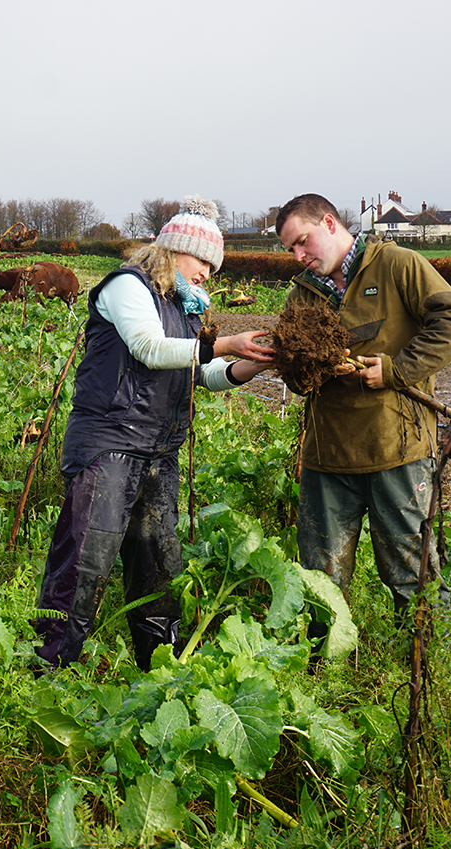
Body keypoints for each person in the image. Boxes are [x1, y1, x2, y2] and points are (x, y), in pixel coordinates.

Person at [34, 195, 275, 672]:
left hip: (158, 453)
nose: (208, 272)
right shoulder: (128, 286)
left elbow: (201, 373)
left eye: (214, 265)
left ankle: (160, 675)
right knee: (83, 567)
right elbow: (149, 347)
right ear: (172, 249)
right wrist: (222, 341)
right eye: (202, 259)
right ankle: (46, 671)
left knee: (159, 575)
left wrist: (255, 363)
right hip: (109, 447)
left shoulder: (184, 306)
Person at [274, 193, 451, 647]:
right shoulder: (303, 294)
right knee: (320, 578)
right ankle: (323, 668)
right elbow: (298, 378)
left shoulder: (397, 266)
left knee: (411, 572)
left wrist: (396, 369)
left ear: (329, 223)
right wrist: (300, 366)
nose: (299, 257)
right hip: (328, 457)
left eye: (302, 242)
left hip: (396, 450)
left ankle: (429, 666)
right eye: (290, 250)